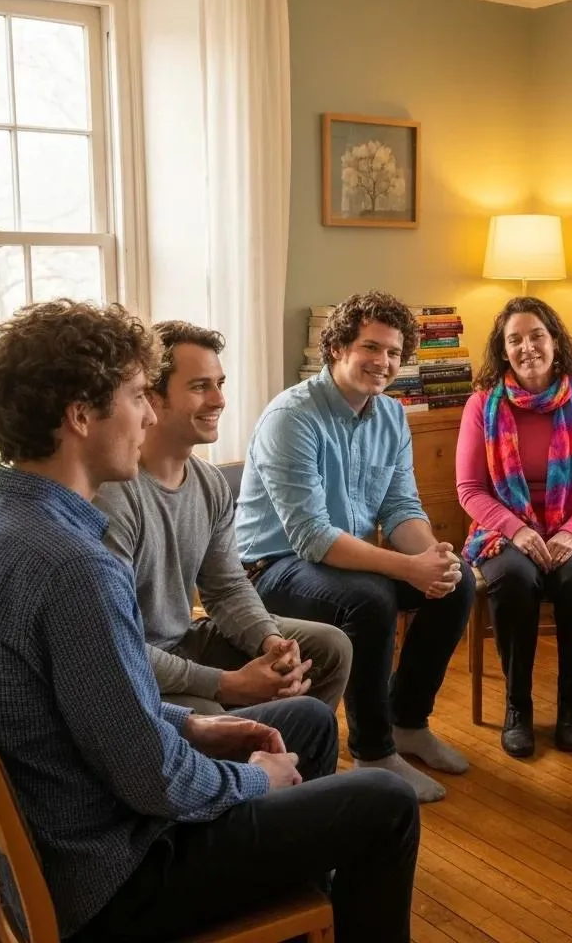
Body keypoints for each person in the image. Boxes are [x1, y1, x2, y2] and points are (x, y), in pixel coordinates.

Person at [0, 300, 418, 943]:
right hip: (115, 873)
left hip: (73, 822)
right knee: (386, 804)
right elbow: (155, 780)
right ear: (80, 416)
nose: (150, 413)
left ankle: (292, 907)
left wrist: (199, 723)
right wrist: (250, 778)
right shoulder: (73, 567)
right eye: (134, 396)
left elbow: (99, 708)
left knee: (308, 721)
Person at [236, 290, 475, 803]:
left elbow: (400, 507)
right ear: (338, 347)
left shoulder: (390, 416)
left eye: (393, 352)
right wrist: (408, 569)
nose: (383, 362)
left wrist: (433, 561)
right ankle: (373, 749)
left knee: (459, 584)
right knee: (370, 599)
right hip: (270, 567)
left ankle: (409, 721)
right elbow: (312, 538)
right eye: (371, 347)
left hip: (342, 561)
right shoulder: (292, 417)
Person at [94, 321, 352, 716]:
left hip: (185, 640)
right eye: (200, 386)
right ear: (152, 397)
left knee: (328, 648)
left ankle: (285, 763)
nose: (219, 400)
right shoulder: (113, 493)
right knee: (211, 716)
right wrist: (229, 683)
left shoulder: (209, 482)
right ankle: (255, 763)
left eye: (220, 383)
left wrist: (270, 642)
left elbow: (227, 587)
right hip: (136, 663)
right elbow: (113, 643)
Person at [456, 296, 572, 757]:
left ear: (555, 341)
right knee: (512, 577)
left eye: (537, 336)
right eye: (515, 340)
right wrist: (517, 530)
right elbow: (470, 489)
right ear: (502, 349)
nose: (527, 348)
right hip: (505, 529)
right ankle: (518, 706)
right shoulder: (481, 405)